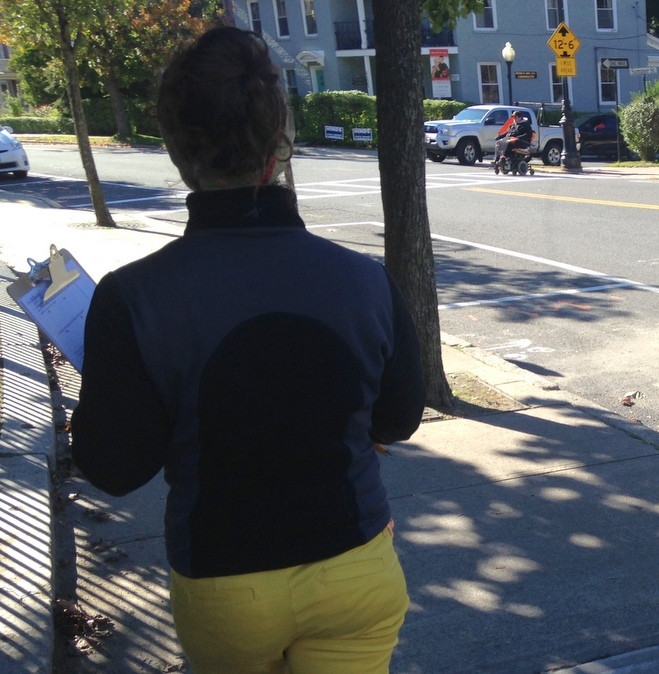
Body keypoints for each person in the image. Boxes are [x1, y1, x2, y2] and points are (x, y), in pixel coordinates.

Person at [70, 26, 425, 673]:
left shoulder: (132, 297)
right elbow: (399, 418)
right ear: (279, 142)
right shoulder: (365, 280)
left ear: (177, 148)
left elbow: (115, 467)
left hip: (225, 581)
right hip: (355, 564)